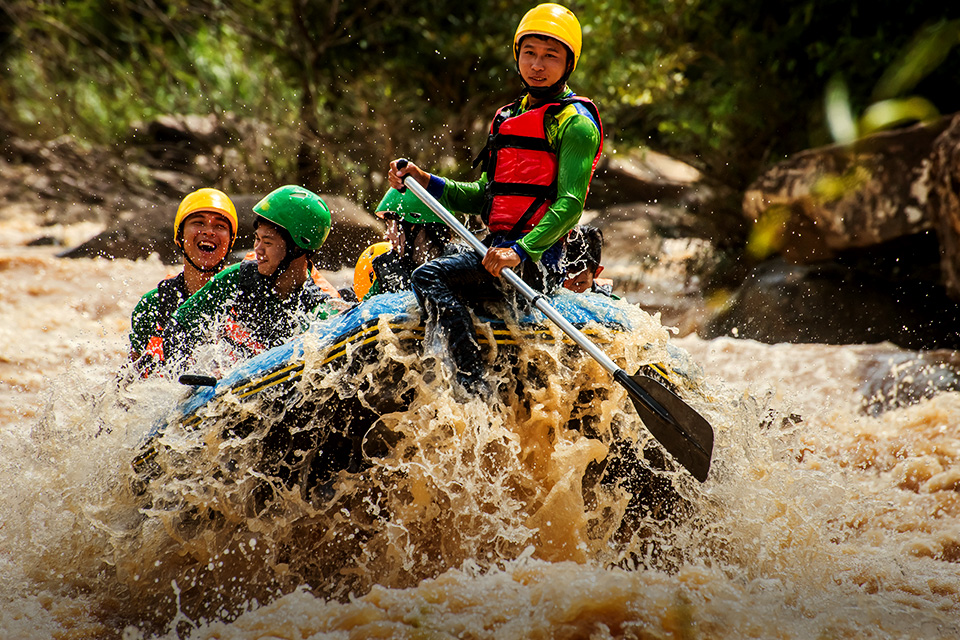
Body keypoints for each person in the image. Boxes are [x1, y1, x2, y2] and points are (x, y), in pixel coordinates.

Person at [388, 3, 602, 395]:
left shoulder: (575, 124)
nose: (537, 65)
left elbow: (570, 204)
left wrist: (520, 251)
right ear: (517, 56)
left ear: (569, 63)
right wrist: (425, 179)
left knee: (428, 275)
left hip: (536, 260)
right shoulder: (506, 118)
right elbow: (485, 198)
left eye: (550, 56)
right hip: (498, 250)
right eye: (529, 53)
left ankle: (472, 383)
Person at [163, 185, 341, 367]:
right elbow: (180, 324)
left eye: (268, 242)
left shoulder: (320, 307)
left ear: (297, 248)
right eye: (257, 239)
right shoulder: (239, 277)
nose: (258, 250)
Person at [128, 187, 238, 373]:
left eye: (220, 226)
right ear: (180, 236)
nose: (209, 232)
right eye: (199, 223)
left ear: (230, 240)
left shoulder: (245, 291)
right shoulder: (152, 306)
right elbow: (133, 379)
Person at [353, 187, 453, 300]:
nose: (386, 236)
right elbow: (363, 311)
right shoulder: (389, 270)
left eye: (390, 224)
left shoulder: (460, 268)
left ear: (413, 225)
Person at [562, 224, 614, 296]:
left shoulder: (606, 301)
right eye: (561, 282)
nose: (567, 290)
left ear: (597, 272)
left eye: (579, 283)